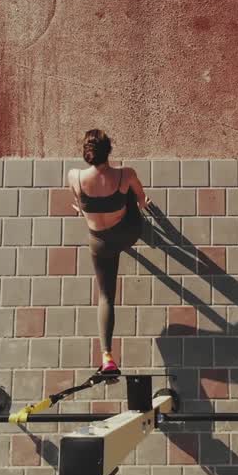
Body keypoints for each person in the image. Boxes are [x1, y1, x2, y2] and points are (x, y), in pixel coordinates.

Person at [66, 129, 148, 375]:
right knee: (128, 193)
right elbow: (141, 199)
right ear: (109, 150)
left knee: (106, 296)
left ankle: (107, 356)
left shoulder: (74, 176)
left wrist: (83, 210)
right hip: (127, 234)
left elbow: (80, 204)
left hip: (100, 244)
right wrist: (138, 202)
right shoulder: (126, 174)